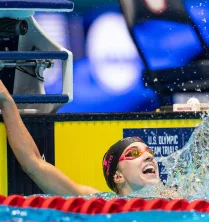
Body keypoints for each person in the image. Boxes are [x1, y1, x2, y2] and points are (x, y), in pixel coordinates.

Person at [0, 80, 159, 196]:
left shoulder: (175, 199)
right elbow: (34, 164)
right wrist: (6, 100)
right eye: (133, 153)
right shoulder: (98, 204)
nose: (148, 156)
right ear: (118, 177)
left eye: (149, 152)